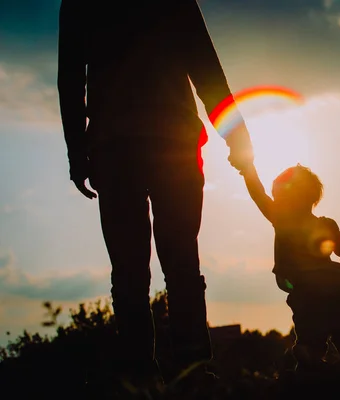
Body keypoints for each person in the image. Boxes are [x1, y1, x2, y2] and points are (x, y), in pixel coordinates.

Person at [57, 0, 253, 392]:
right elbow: (206, 69)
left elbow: (70, 78)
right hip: (172, 142)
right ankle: (193, 370)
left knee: (129, 272)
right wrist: (236, 137)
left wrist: (77, 152)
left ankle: (139, 374)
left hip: (116, 150)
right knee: (181, 263)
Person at [232, 160, 340, 376]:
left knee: (311, 338)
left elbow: (257, 193)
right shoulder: (326, 225)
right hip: (334, 287)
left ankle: (311, 373)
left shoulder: (283, 219)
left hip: (305, 288)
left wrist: (248, 169)